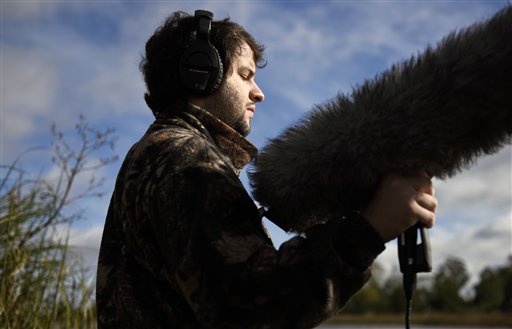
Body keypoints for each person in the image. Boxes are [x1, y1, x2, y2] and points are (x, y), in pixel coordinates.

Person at [96, 10, 438, 329]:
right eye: (245, 75)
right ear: (201, 74)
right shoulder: (185, 158)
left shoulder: (160, 153)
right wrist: (370, 229)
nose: (258, 93)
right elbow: (253, 305)